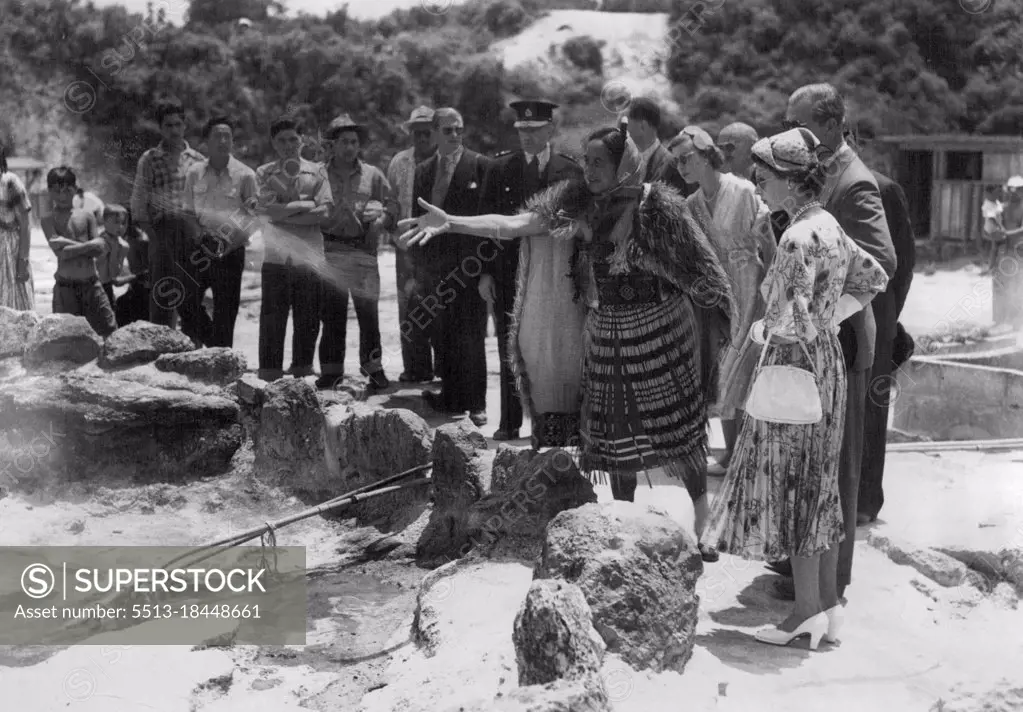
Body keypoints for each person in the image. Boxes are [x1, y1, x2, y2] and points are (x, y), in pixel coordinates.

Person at [400, 121, 732, 562]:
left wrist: (708, 316)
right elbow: (517, 223)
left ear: (624, 165)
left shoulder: (660, 208)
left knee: (678, 429)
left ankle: (703, 521)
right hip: (608, 329)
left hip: (663, 331)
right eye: (586, 161)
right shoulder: (578, 200)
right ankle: (625, 523)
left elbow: (704, 271)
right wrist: (453, 222)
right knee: (614, 435)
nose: (589, 170)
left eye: (599, 163)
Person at [705, 128, 889, 649]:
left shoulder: (794, 237)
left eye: (764, 176)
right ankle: (826, 608)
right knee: (821, 485)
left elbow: (789, 319)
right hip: (825, 366)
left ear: (789, 180)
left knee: (796, 488)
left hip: (792, 369)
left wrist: (765, 330)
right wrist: (831, 320)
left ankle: (805, 613)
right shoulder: (828, 223)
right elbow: (872, 278)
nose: (759, 184)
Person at [768, 83, 897, 601]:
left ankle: (831, 586)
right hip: (813, 343)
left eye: (794, 121)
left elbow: (880, 263)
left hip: (836, 344)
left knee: (836, 467)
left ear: (824, 124)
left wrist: (824, 315)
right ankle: (803, 577)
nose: (787, 131)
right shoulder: (824, 174)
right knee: (808, 465)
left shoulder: (855, 182)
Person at [669, 126, 775, 477]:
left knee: (742, 368)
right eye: (677, 162)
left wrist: (776, 289)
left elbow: (769, 244)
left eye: (687, 158)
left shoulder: (743, 190)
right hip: (717, 295)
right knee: (724, 374)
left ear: (707, 155)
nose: (682, 167)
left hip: (750, 288)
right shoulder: (692, 204)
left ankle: (747, 454)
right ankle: (732, 452)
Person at [477, 99, 584, 442]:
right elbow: (488, 225)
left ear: (550, 130)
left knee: (554, 342)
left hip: (554, 274)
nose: (526, 136)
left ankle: (553, 420)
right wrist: (484, 273)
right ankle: (510, 419)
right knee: (511, 341)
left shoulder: (569, 170)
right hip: (508, 270)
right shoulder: (500, 169)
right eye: (521, 130)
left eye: (534, 130)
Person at [408, 108, 492, 426]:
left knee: (471, 335)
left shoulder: (480, 166)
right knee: (441, 335)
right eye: (447, 130)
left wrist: (486, 270)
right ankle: (451, 397)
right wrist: (418, 271)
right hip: (434, 268)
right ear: (434, 133)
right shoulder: (424, 170)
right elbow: (418, 222)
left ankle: (477, 404)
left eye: (458, 129)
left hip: (470, 266)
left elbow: (489, 221)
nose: (455, 135)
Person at [317, 113, 397, 391]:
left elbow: (392, 207)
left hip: (363, 250)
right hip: (330, 250)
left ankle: (374, 369)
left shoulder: (373, 175)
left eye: (354, 142)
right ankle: (330, 372)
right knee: (332, 315)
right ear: (332, 145)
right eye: (344, 142)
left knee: (368, 315)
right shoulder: (318, 174)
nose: (350, 147)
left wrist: (381, 220)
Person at [254, 116, 334, 382]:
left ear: (302, 141)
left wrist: (284, 215)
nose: (288, 145)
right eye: (282, 140)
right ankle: (269, 373)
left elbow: (324, 211)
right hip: (276, 256)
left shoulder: (318, 171)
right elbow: (264, 211)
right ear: (273, 144)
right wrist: (303, 206)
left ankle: (302, 370)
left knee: (308, 316)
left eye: (293, 139)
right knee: (272, 317)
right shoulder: (264, 173)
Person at [858, 169, 916, 524]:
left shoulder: (885, 189)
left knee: (871, 410)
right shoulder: (812, 185)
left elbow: (903, 263)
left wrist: (889, 317)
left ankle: (865, 502)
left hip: (877, 318)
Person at [129, 96, 206, 328]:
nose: (174, 130)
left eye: (177, 124)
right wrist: (151, 235)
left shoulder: (198, 161)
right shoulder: (150, 158)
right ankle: (161, 344)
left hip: (191, 234)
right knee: (163, 292)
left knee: (191, 290)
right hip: (161, 232)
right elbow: (139, 199)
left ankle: (194, 345)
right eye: (168, 125)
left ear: (185, 126)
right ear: (161, 128)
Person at [183, 115, 259, 349]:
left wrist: (230, 243)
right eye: (218, 135)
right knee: (186, 300)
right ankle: (212, 342)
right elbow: (187, 212)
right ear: (206, 140)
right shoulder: (195, 172)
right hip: (201, 248)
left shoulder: (246, 175)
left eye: (228, 136)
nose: (223, 140)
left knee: (226, 310)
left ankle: (222, 357)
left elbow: (252, 217)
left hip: (231, 251)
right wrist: (200, 237)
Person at [387, 106, 438, 384]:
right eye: (416, 131)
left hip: (439, 246)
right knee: (409, 308)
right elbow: (392, 200)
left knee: (442, 306)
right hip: (406, 247)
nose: (421, 136)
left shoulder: (447, 160)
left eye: (427, 131)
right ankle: (416, 368)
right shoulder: (399, 162)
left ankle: (444, 367)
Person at [42, 167, 117, 337]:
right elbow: (61, 254)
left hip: (92, 284)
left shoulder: (87, 215)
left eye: (67, 191)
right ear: (49, 191)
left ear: (75, 189)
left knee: (109, 331)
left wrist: (66, 242)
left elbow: (99, 250)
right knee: (67, 337)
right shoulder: (47, 219)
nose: (62, 196)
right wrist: (88, 246)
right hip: (65, 288)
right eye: (56, 191)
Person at [626, 97, 693, 197]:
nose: (620, 129)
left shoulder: (672, 166)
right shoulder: (625, 162)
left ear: (642, 126)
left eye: (625, 123)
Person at [0, 146, 35, 310]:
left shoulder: (10, 182)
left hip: (10, 254)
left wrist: (23, 261)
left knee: (14, 307)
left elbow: (26, 224)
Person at [992, 175, 1023, 328]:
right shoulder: (1002, 208)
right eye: (1011, 190)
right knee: (1000, 285)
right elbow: (994, 230)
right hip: (1005, 252)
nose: (1013, 193)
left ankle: (1016, 322)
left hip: (1019, 253)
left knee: (1018, 287)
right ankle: (999, 319)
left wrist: (1005, 233)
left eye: (1016, 190)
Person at [114, 211, 151, 327]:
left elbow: (148, 270)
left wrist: (135, 278)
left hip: (145, 288)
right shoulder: (127, 240)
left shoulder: (141, 241)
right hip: (136, 285)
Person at [96, 204, 131, 309]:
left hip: (107, 288)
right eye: (116, 222)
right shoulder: (96, 241)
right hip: (91, 287)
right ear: (104, 221)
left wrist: (114, 249)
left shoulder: (123, 246)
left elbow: (113, 275)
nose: (120, 227)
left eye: (123, 223)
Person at [981, 183, 1005, 276]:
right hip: (992, 229)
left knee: (995, 248)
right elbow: (991, 218)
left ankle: (992, 267)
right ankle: (992, 267)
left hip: (997, 229)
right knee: (996, 247)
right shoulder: (987, 204)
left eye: (998, 193)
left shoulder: (996, 202)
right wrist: (1001, 227)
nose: (997, 195)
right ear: (988, 194)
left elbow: (1001, 209)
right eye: (995, 193)